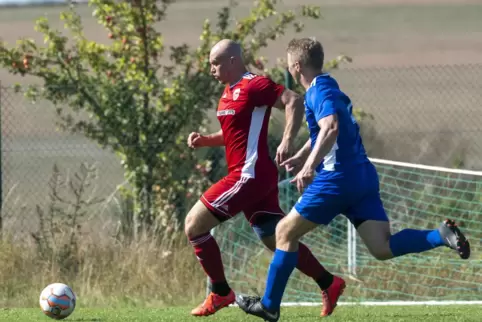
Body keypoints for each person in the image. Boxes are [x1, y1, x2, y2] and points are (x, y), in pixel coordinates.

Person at [236, 37, 471, 322]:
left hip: (337, 179)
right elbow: (329, 130)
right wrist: (302, 154)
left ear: (296, 66)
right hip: (362, 177)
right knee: (381, 247)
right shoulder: (329, 86)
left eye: (288, 64)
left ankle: (270, 306)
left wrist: (309, 166)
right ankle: (439, 235)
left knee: (284, 232)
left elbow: (331, 127)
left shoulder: (316, 92)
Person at [184, 39, 343, 318]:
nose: (211, 68)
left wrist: (287, 140)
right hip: (255, 176)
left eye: (215, 62)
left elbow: (292, 100)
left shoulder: (253, 84)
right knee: (276, 239)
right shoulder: (227, 93)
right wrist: (205, 141)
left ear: (233, 61)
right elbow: (233, 135)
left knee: (194, 225)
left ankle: (220, 292)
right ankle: (329, 283)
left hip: (249, 174)